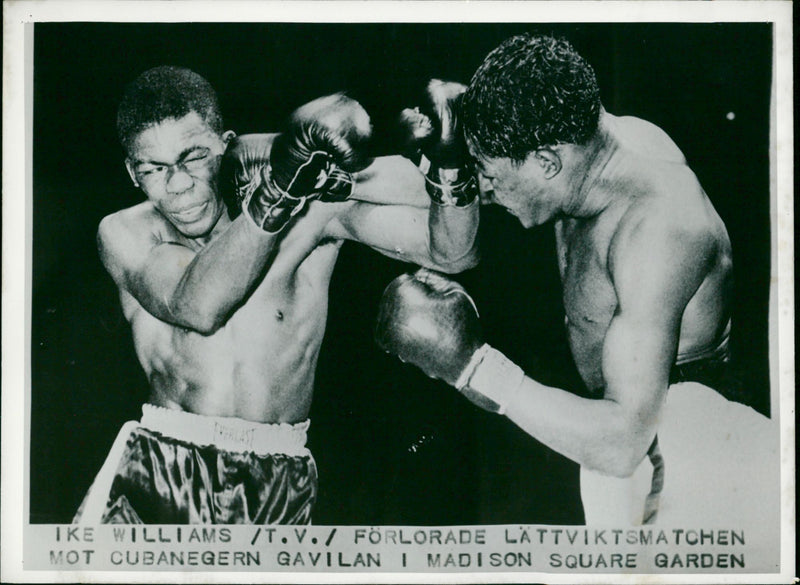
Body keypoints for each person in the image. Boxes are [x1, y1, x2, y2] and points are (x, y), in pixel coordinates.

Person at [375, 34, 778, 526]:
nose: (487, 189)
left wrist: (471, 368)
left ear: (547, 162)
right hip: (627, 433)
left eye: (491, 176)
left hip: (687, 450)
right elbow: (444, 207)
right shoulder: (585, 151)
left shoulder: (659, 228)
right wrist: (443, 167)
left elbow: (622, 444)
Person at [73, 65, 479, 524]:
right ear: (132, 171)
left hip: (278, 478)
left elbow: (453, 252)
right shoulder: (126, 232)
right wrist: (282, 186)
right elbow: (198, 306)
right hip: (160, 470)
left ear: (227, 145)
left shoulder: (310, 215)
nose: (179, 183)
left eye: (194, 157)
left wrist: (448, 162)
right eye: (155, 169)